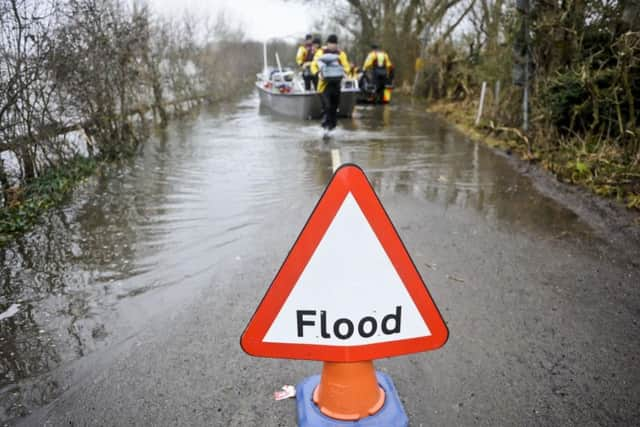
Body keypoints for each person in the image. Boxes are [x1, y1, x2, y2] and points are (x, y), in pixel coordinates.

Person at [311, 34, 351, 132]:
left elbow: (346, 66)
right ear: (327, 43)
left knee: (334, 107)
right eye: (331, 43)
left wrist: (345, 72)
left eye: (335, 44)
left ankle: (332, 128)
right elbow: (314, 64)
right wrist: (317, 73)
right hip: (324, 86)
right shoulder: (320, 52)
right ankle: (325, 127)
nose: (333, 45)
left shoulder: (341, 54)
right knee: (327, 106)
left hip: (336, 85)